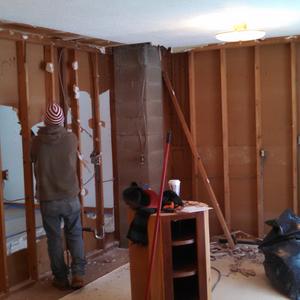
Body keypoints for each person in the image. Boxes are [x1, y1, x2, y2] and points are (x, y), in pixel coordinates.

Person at [31, 103, 86, 290]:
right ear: (61, 121)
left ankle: (61, 278)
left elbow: (32, 157)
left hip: (48, 199)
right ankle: (78, 274)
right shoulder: (71, 138)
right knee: (75, 234)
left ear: (45, 121)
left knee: (54, 239)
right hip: (70, 197)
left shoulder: (37, 142)